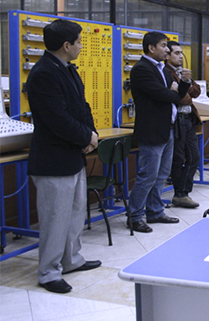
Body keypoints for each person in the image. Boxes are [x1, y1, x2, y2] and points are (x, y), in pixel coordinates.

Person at [26, 19, 101, 294]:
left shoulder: (67, 69)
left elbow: (82, 106)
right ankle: (48, 273)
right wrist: (85, 137)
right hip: (53, 160)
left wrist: (90, 133)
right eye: (79, 41)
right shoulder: (44, 73)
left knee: (73, 214)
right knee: (55, 220)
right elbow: (56, 119)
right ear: (66, 45)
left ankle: (71, 260)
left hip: (72, 156)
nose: (82, 46)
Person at [128, 31, 191, 233]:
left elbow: (178, 96)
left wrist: (184, 83)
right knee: (147, 175)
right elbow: (164, 95)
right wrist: (173, 93)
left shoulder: (162, 69)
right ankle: (135, 216)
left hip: (167, 129)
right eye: (164, 46)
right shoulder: (141, 69)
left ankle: (155, 211)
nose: (167, 49)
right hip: (152, 130)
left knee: (162, 174)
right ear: (151, 48)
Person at [165, 41, 202, 209]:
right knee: (179, 158)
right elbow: (181, 98)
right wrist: (185, 91)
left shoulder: (181, 73)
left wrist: (185, 84)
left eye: (181, 53)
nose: (180, 56)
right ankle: (180, 193)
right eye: (176, 53)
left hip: (188, 120)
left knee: (194, 156)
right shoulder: (166, 73)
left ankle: (184, 192)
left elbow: (196, 91)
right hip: (177, 121)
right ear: (167, 55)